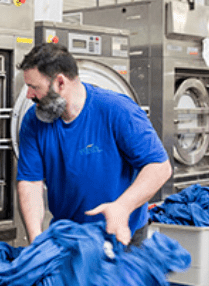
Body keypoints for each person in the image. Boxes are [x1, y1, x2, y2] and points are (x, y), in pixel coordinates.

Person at [16, 43, 172, 246]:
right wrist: (36, 240)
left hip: (123, 234)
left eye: (34, 87)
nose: (29, 95)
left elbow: (159, 167)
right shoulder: (33, 122)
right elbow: (30, 182)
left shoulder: (116, 109)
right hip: (70, 237)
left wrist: (122, 207)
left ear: (60, 83)